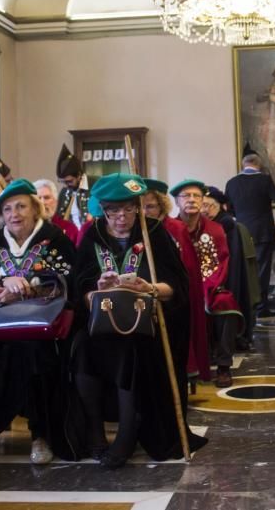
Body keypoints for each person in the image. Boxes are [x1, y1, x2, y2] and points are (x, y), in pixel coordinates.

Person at [73, 174, 207, 468]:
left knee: (128, 350)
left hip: (146, 324)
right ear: (102, 210)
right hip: (100, 321)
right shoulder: (92, 235)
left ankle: (127, 433)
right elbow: (77, 289)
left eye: (130, 209)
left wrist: (150, 288)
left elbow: (178, 287)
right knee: (82, 348)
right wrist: (97, 287)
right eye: (113, 211)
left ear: (138, 207)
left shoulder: (154, 232)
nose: (122, 217)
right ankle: (94, 430)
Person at [0, 179, 80, 467]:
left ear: (35, 209)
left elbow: (70, 283)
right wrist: (1, 282)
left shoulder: (55, 239)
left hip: (40, 324)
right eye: (7, 209)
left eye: (21, 206)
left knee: (36, 352)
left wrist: (32, 286)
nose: (14, 214)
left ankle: (41, 435)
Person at [173, 179, 243, 388]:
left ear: (203, 201)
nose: (192, 200)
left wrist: (205, 288)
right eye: (186, 196)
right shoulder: (170, 228)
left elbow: (220, 261)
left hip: (209, 285)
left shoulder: (215, 229)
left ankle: (223, 365)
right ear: (177, 201)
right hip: (177, 288)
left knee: (226, 303)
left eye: (196, 196)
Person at [141, 179, 210, 382]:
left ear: (161, 205)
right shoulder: (138, 229)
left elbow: (186, 268)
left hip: (173, 297)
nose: (145, 212)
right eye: (141, 207)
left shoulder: (175, 228)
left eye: (151, 206)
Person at [224, 149, 275, 317]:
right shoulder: (264, 179)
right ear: (259, 164)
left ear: (243, 164)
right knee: (261, 270)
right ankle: (261, 308)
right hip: (263, 232)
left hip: (240, 232)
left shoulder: (231, 183)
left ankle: (245, 307)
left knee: (244, 270)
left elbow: (230, 210)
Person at [204, 186, 261, 351]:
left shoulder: (226, 225)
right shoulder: (206, 224)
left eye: (209, 206)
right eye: (203, 206)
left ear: (222, 206)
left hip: (228, 278)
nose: (204, 210)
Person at [56, 144, 90, 229]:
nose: (66, 185)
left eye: (69, 181)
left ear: (79, 175)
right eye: (63, 182)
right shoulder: (64, 192)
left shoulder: (95, 186)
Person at [33, 178, 79, 243]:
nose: (42, 202)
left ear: (56, 202)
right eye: (38, 198)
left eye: (47, 198)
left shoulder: (70, 229)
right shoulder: (24, 229)